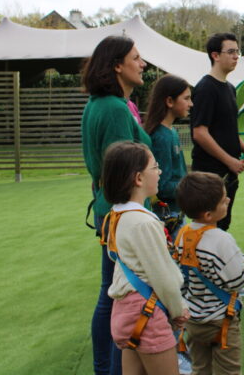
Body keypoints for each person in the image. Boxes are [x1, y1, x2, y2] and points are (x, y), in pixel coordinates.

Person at [82, 35, 152, 375]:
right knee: (117, 300)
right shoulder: (112, 108)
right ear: (117, 66)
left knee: (109, 297)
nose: (143, 64)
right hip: (121, 215)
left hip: (109, 212)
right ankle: (110, 370)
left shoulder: (99, 104)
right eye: (136, 58)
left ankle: (105, 368)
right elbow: (122, 170)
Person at [101, 141, 190, 375]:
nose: (159, 172)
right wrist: (178, 309)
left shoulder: (116, 215)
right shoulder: (144, 222)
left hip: (125, 312)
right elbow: (165, 277)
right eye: (155, 167)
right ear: (138, 178)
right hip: (147, 313)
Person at [173, 171, 244, 375]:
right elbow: (237, 281)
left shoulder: (182, 234)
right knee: (228, 371)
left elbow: (181, 276)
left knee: (200, 368)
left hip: (194, 319)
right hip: (220, 320)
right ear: (208, 214)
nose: (228, 199)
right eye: (223, 199)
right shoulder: (221, 239)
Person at [190, 33, 244, 231]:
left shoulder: (230, 88)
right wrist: (229, 160)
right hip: (210, 176)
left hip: (228, 175)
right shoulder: (205, 88)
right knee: (207, 228)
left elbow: (229, 128)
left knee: (222, 225)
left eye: (237, 52)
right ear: (215, 56)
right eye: (230, 52)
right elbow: (200, 133)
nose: (236, 56)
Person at [144, 74, 193, 240]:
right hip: (167, 217)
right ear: (169, 101)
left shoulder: (171, 131)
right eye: (186, 98)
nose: (191, 104)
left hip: (177, 211)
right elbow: (162, 186)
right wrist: (192, 187)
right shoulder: (160, 137)